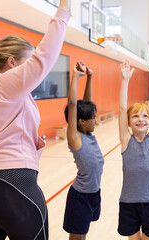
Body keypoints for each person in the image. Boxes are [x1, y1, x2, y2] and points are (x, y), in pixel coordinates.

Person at [0, 1, 70, 239]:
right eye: (28, 61)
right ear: (12, 63)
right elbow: (45, 57)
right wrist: (63, 10)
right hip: (10, 180)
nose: (32, 70)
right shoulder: (5, 85)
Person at [118, 60, 149, 240]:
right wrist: (125, 80)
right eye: (136, 116)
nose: (141, 119)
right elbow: (122, 109)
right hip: (128, 203)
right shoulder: (125, 140)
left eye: (145, 116)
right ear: (128, 122)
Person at [63, 61, 104, 240]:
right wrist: (75, 77)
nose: (95, 120)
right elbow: (73, 104)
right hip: (80, 197)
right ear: (81, 121)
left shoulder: (87, 134)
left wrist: (90, 76)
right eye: (92, 118)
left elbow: (86, 103)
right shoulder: (75, 138)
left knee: (83, 233)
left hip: (94, 193)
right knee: (77, 237)